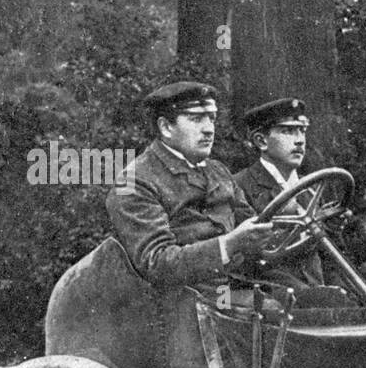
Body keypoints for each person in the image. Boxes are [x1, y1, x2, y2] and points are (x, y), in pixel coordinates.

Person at [106, 81, 273, 294]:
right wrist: (229, 245)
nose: (209, 129)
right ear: (165, 127)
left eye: (211, 118)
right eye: (196, 119)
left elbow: (252, 228)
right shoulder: (134, 182)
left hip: (231, 294)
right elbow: (157, 264)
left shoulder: (218, 171)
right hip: (174, 309)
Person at [233, 98, 326, 285]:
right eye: (288, 131)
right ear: (261, 141)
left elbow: (327, 257)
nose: (299, 140)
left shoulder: (312, 190)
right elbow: (244, 263)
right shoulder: (239, 186)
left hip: (319, 294)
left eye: (302, 130)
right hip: (273, 298)